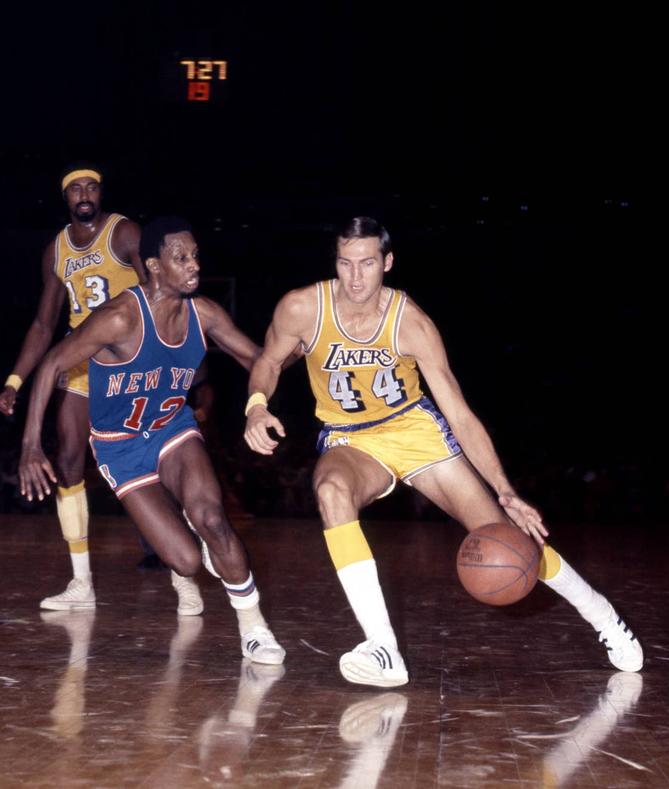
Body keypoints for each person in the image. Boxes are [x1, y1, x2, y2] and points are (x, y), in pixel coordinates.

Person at [244, 216, 641, 686]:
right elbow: (268, 361)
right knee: (330, 490)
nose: (355, 277)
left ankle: (603, 616)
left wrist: (505, 490)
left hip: (415, 433)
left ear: (387, 263)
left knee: (508, 538)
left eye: (367, 263)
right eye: (345, 263)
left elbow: (459, 414)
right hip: (351, 438)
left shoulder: (411, 323)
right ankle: (384, 650)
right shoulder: (301, 307)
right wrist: (255, 407)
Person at [20, 217, 284, 664]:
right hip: (119, 448)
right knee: (185, 562)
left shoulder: (205, 314)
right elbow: (51, 365)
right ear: (154, 266)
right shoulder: (120, 318)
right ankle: (190, 553)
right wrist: (30, 444)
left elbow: (259, 359)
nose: (194, 265)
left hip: (172, 429)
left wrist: (298, 353)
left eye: (195, 255)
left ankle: (254, 628)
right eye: (181, 258)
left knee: (212, 517)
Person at [0, 164, 201, 615]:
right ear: (65, 197)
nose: (83, 194)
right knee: (68, 458)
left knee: (156, 459)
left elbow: (162, 281)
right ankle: (81, 582)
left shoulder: (124, 232)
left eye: (90, 186)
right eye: (75, 189)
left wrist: (172, 348)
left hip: (130, 360)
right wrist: (16, 381)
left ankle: (182, 575)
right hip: (85, 362)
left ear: (101, 193)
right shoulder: (56, 250)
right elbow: (43, 323)